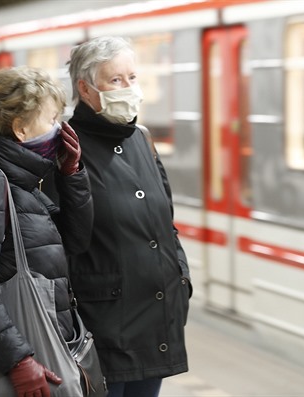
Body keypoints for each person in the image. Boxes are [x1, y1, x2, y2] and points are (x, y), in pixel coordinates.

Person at [0, 66, 93, 396]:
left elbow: (77, 240)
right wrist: (18, 361)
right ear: (21, 129)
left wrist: (71, 175)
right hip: (21, 362)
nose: (59, 129)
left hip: (43, 347)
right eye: (52, 119)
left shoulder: (22, 184)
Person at [64, 36, 192, 397]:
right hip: (101, 328)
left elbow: (166, 223)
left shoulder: (143, 139)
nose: (128, 88)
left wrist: (180, 279)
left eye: (132, 78)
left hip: (156, 323)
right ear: (86, 89)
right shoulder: (67, 149)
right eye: (115, 80)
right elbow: (59, 239)